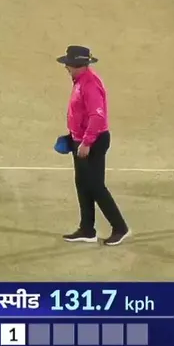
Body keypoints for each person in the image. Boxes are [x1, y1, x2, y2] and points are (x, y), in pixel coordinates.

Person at [58, 45, 130, 246]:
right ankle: (87, 229)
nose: (66, 68)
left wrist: (86, 142)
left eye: (69, 64)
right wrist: (73, 136)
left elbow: (97, 116)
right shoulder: (80, 81)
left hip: (93, 142)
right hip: (80, 140)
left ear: (78, 65)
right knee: (82, 184)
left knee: (96, 186)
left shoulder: (89, 84)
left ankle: (120, 228)